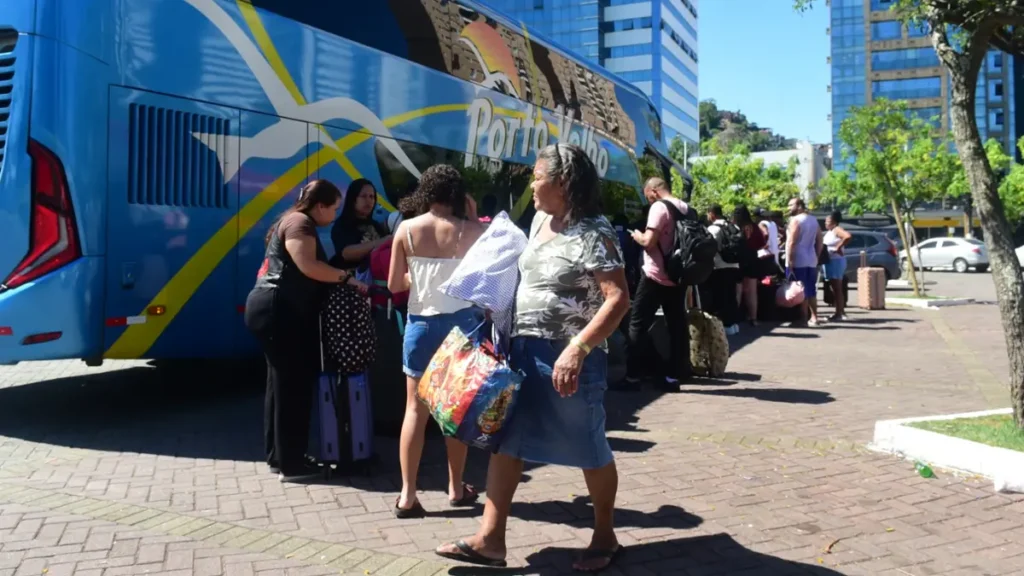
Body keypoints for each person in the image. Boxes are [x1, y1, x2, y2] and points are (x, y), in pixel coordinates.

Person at [436, 144, 630, 571]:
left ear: (563, 183)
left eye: (537, 176)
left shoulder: (595, 231)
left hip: (569, 359)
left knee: (588, 446)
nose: (531, 183)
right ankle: (490, 540)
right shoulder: (541, 220)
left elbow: (617, 300)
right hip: (522, 351)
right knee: (507, 443)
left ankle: (605, 536)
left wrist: (578, 349)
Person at [244, 180, 368, 482]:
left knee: (280, 385)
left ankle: (280, 457)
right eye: (333, 209)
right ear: (320, 206)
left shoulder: (290, 220)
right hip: (280, 309)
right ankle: (293, 465)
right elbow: (308, 266)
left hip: (271, 308)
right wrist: (347, 279)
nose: (334, 215)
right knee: (293, 386)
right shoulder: (301, 222)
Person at [387, 165, 488, 518]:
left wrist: (424, 277)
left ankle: (407, 495)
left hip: (420, 327)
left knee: (415, 409)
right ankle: (456, 487)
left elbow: (394, 286)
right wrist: (472, 215)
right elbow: (484, 282)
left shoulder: (406, 230)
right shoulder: (474, 231)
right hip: (462, 327)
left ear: (426, 192)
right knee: (455, 413)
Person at [625, 177, 692, 389]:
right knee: (677, 326)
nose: (648, 200)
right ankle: (674, 375)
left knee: (636, 324)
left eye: (647, 196)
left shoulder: (659, 207)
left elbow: (648, 241)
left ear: (653, 191)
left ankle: (634, 376)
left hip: (655, 275)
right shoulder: (687, 208)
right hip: (678, 276)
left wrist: (636, 235)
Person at [331, 178, 390, 270]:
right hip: (353, 280)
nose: (368, 201)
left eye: (371, 197)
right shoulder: (342, 224)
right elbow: (346, 253)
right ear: (353, 199)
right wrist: (380, 242)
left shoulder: (375, 225)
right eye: (363, 196)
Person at [785, 197, 824, 327]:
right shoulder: (813, 220)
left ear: (799, 206)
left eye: (791, 205)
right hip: (811, 258)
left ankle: (803, 318)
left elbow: (792, 242)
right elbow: (820, 240)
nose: (788, 208)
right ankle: (814, 317)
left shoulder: (796, 220)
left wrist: (790, 259)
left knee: (799, 290)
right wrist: (816, 255)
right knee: (810, 290)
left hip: (798, 258)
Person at [704, 205, 742, 335]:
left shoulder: (713, 229)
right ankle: (733, 324)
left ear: (712, 214)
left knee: (721, 297)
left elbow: (709, 248)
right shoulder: (734, 227)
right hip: (734, 266)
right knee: (731, 295)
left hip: (719, 266)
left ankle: (725, 325)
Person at [734, 205, 767, 326]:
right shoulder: (754, 227)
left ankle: (735, 318)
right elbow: (762, 243)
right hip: (753, 258)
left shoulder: (736, 227)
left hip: (739, 259)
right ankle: (753, 318)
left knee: (738, 289)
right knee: (752, 291)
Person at [822, 211, 852, 321]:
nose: (826, 223)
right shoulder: (829, 232)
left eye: (828, 221)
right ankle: (839, 311)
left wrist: (838, 247)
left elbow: (848, 236)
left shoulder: (837, 230)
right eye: (825, 221)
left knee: (837, 288)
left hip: (836, 261)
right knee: (833, 287)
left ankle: (839, 313)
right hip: (830, 261)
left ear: (834, 222)